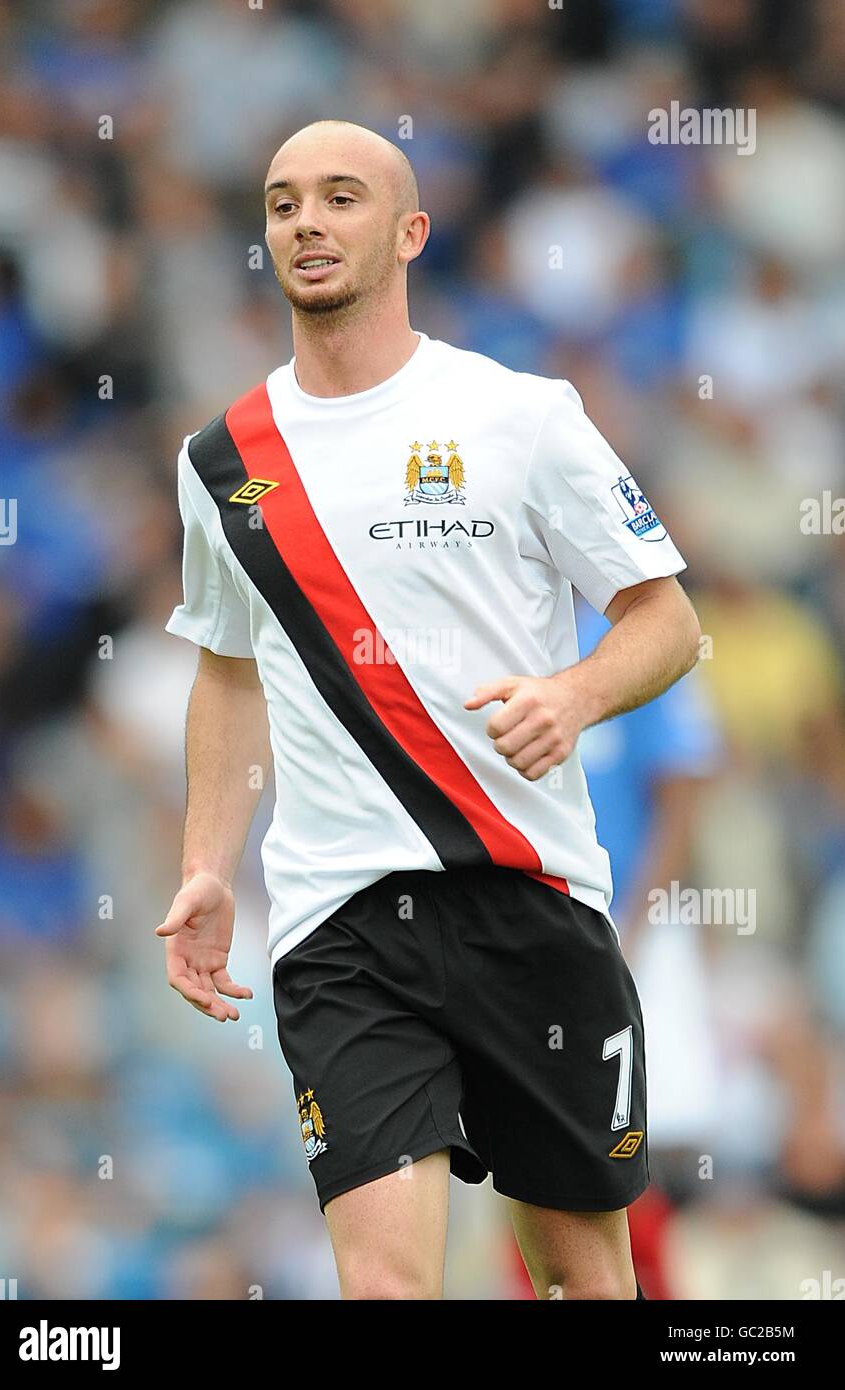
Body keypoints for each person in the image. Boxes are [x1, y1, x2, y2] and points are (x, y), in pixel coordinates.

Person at [157, 119, 701, 1300]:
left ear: (409, 232)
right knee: (388, 1285)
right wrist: (206, 860)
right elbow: (230, 666)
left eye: (340, 197)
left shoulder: (522, 416)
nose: (306, 221)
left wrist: (574, 692)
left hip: (529, 894)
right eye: (283, 200)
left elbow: (669, 621)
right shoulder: (221, 461)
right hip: (339, 922)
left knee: (581, 1279)